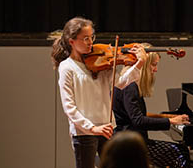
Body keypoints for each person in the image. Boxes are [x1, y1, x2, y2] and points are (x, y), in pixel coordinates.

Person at [51, 16, 147, 168]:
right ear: (72, 42)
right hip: (84, 131)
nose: (91, 43)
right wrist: (92, 128)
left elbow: (121, 83)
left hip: (106, 128)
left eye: (91, 38)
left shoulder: (100, 62)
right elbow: (69, 107)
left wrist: (139, 64)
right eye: (85, 39)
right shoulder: (67, 67)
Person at [112, 44, 191, 168]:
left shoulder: (128, 82)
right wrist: (170, 121)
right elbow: (138, 120)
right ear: (143, 65)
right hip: (130, 145)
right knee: (180, 152)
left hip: (132, 140)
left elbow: (136, 114)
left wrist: (166, 116)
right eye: (153, 64)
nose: (156, 69)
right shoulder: (130, 86)